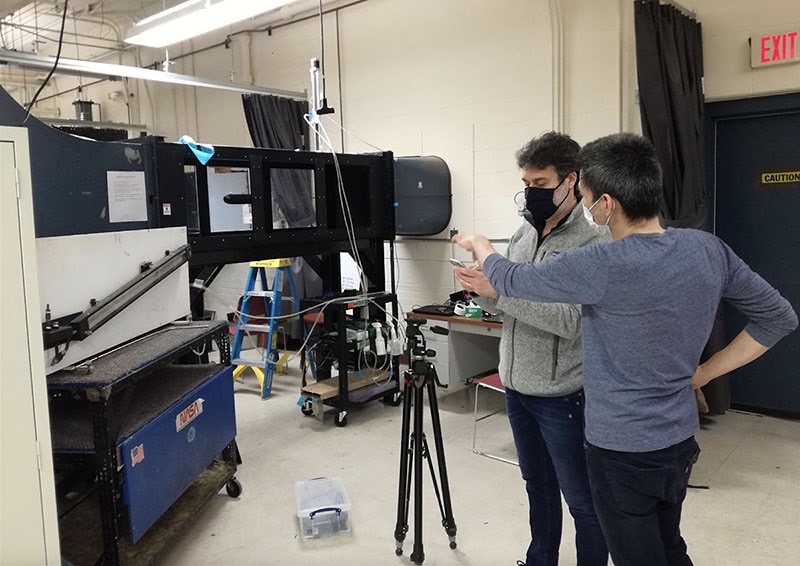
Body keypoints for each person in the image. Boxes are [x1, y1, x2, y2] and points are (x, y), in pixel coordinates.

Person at [452, 133, 798, 566]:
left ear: (607, 204)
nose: (585, 204)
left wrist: (482, 247)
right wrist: (705, 373)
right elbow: (778, 317)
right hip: (677, 442)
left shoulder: (603, 262)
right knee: (669, 545)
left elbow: (512, 281)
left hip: (621, 449)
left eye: (586, 196)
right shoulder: (707, 248)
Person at [467, 132, 609, 566]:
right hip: (518, 387)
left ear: (571, 181)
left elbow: (569, 321)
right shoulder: (523, 235)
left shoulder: (592, 245)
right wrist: (480, 289)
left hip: (564, 396)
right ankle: (540, 559)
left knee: (583, 502)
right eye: (527, 182)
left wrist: (502, 290)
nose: (532, 192)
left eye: (542, 184)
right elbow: (506, 304)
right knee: (537, 488)